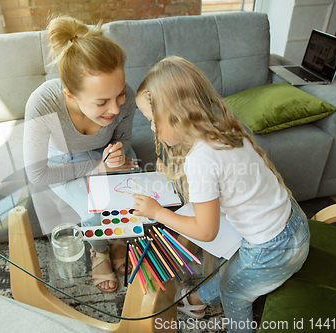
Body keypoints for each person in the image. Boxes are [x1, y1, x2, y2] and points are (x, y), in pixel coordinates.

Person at [133, 56, 310, 332]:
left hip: (272, 251)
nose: (152, 129)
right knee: (233, 271)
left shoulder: (200, 160)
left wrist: (158, 213)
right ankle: (196, 300)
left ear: (176, 115)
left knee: (233, 292)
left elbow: (206, 232)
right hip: (297, 226)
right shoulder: (224, 129)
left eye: (152, 121)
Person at [23, 15, 137, 293]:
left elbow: (121, 140)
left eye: (119, 95)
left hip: (103, 155)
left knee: (127, 193)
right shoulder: (43, 103)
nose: (115, 108)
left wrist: (116, 156)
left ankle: (118, 239)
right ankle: (99, 251)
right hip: (64, 159)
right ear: (70, 95)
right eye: (101, 102)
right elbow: (38, 173)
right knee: (91, 207)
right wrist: (97, 168)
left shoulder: (127, 97)